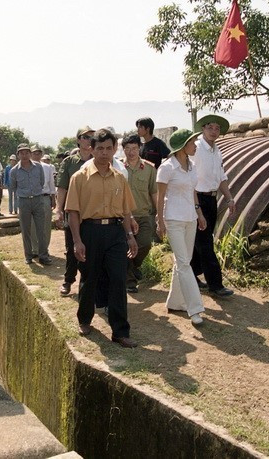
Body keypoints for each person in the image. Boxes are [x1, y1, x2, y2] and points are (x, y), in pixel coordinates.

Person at [65, 128, 138, 348]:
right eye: (100, 148)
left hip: (116, 233)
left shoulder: (120, 178)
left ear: (115, 149)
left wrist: (130, 237)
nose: (104, 153)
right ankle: (85, 319)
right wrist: (77, 240)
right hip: (90, 232)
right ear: (91, 149)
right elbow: (73, 212)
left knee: (118, 279)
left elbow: (126, 211)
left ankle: (120, 331)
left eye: (109, 148)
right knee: (90, 277)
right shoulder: (79, 177)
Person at [156, 129, 208, 326]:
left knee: (183, 261)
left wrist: (199, 213)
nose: (195, 145)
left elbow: (193, 192)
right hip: (173, 219)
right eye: (193, 142)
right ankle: (195, 308)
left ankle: (176, 302)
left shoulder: (192, 166)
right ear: (182, 146)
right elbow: (160, 198)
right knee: (185, 263)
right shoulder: (167, 167)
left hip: (190, 218)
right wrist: (160, 221)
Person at [192, 115, 235, 298]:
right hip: (197, 199)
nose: (214, 132)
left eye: (217, 129)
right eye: (210, 128)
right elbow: (189, 176)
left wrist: (229, 198)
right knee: (205, 243)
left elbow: (221, 177)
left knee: (200, 241)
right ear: (203, 129)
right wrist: (195, 206)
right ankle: (215, 284)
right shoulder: (196, 149)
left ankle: (191, 276)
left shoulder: (216, 151)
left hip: (211, 199)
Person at [54, 126, 95, 296]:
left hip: (92, 212)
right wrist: (58, 210)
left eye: (92, 137)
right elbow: (62, 188)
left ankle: (89, 285)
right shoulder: (69, 162)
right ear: (78, 140)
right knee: (72, 248)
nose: (89, 140)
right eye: (85, 137)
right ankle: (68, 280)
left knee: (92, 249)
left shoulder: (98, 159)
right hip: (72, 212)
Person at [121, 134, 158, 293]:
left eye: (134, 148)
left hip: (144, 214)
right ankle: (129, 281)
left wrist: (158, 214)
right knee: (126, 247)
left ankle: (134, 267)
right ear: (123, 150)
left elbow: (154, 192)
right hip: (125, 216)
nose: (131, 152)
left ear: (139, 148)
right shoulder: (119, 168)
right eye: (127, 149)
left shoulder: (149, 168)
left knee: (145, 244)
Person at [11, 144, 49, 265]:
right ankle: (28, 256)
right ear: (18, 155)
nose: (24, 155)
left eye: (27, 152)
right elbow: (13, 187)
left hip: (38, 200)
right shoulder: (14, 171)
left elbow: (42, 182)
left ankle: (43, 256)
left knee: (41, 229)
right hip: (24, 202)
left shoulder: (38, 167)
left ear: (30, 154)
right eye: (21, 153)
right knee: (25, 229)